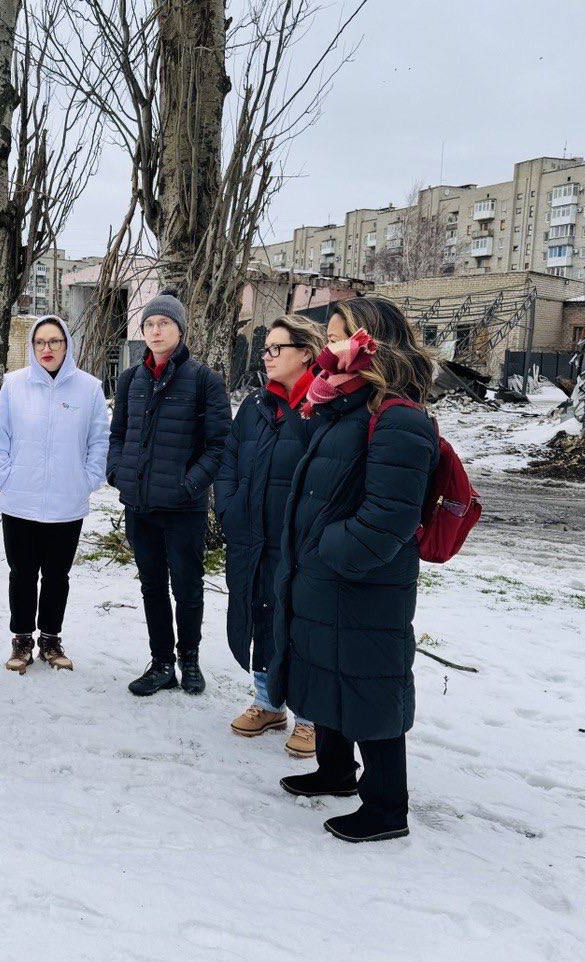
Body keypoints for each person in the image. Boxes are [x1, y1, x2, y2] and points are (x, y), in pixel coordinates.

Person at [266, 296, 439, 843]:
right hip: (323, 574)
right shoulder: (343, 406)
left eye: (338, 335)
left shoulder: (400, 417)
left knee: (369, 683)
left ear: (371, 341)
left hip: (362, 582)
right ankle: (336, 770)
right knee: (323, 669)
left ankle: (387, 808)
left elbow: (389, 518)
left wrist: (330, 550)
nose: (328, 346)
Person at [106, 290, 230, 696]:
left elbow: (219, 446)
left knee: (188, 587)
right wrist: (117, 473)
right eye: (149, 325)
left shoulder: (205, 381)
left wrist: (189, 486)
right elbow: (118, 435)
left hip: (183, 509)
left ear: (180, 329)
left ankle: (189, 659)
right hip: (140, 506)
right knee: (152, 586)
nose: (155, 331)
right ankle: (161, 664)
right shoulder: (131, 379)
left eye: (164, 324)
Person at [215, 314, 324, 758]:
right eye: (266, 349)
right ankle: (267, 702)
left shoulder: (322, 407)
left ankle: (310, 717)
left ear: (306, 353)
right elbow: (229, 457)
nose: (267, 356)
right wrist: (228, 505)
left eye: (277, 348)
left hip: (297, 542)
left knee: (300, 623)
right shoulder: (257, 405)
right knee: (259, 613)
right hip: (251, 534)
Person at [0, 315, 110, 673]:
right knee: (21, 573)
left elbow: (99, 442)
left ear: (67, 345)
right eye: (40, 342)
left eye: (55, 342)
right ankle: (22, 639)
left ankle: (51, 639)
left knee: (57, 576)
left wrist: (84, 481)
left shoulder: (88, 389)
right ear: (31, 346)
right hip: (20, 501)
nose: (47, 349)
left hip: (67, 505)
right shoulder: (15, 384)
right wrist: (7, 479)